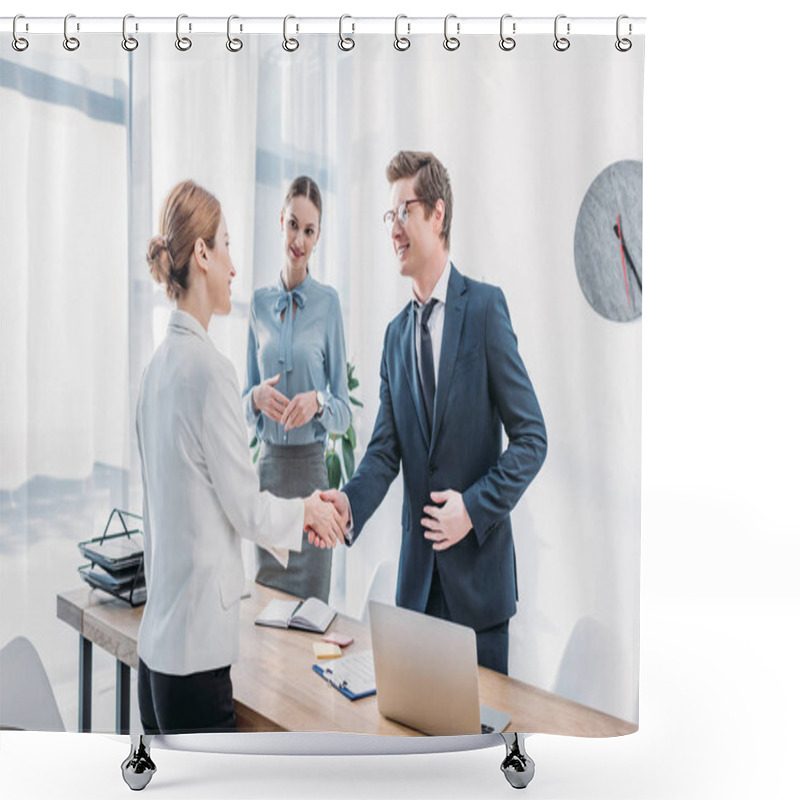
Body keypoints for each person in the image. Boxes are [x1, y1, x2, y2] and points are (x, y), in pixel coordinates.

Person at [311, 152, 547, 674]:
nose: (393, 228)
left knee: (478, 748)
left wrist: (475, 507)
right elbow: (383, 452)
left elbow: (532, 438)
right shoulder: (395, 335)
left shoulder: (485, 310)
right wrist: (347, 505)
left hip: (479, 596)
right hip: (417, 592)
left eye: (404, 212)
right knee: (418, 749)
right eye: (388, 217)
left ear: (437, 215)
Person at [136, 180, 345, 735]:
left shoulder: (154, 371)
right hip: (196, 662)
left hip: (155, 658)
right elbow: (248, 511)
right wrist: (307, 512)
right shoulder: (210, 371)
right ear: (202, 255)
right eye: (226, 244)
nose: (234, 264)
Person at [242, 176, 351, 601]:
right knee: (265, 615)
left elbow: (343, 408)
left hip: (312, 476)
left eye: (309, 230)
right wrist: (255, 398)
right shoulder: (257, 304)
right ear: (280, 221)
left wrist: (319, 402)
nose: (299, 240)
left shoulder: (328, 305)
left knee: (311, 619)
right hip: (268, 477)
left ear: (318, 235)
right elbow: (244, 406)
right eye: (293, 225)